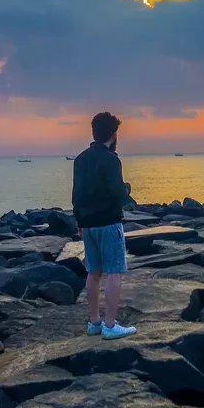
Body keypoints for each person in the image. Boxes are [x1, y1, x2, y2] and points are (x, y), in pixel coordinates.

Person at [72, 112, 137, 339]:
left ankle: (94, 322)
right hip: (108, 223)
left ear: (94, 132)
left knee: (93, 272)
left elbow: (76, 194)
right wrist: (127, 189)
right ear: (113, 134)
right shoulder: (111, 160)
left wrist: (79, 220)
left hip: (87, 224)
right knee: (114, 273)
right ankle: (110, 325)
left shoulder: (80, 159)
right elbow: (117, 193)